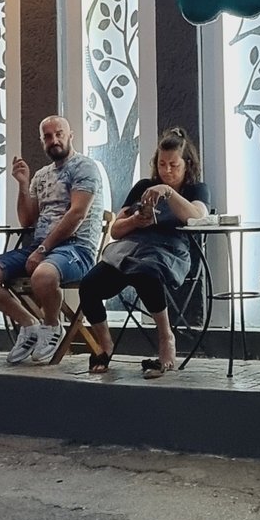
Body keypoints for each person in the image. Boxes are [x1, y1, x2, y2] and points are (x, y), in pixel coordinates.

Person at [0, 114, 108, 365]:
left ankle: (52, 326)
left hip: (76, 249)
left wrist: (43, 249)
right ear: (42, 141)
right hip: (38, 248)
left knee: (43, 275)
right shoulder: (41, 175)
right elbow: (27, 221)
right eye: (48, 136)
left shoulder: (84, 167)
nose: (54, 140)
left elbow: (77, 214)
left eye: (59, 134)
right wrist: (23, 185)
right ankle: (29, 324)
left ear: (71, 135)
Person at [81, 127, 210, 377]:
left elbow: (197, 216)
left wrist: (168, 192)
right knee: (89, 285)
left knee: (145, 271)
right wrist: (135, 221)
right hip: (131, 249)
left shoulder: (196, 189)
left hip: (170, 252)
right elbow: (116, 230)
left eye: (174, 165)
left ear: (187, 164)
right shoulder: (143, 186)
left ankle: (166, 337)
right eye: (162, 164)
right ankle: (105, 344)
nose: (167, 171)